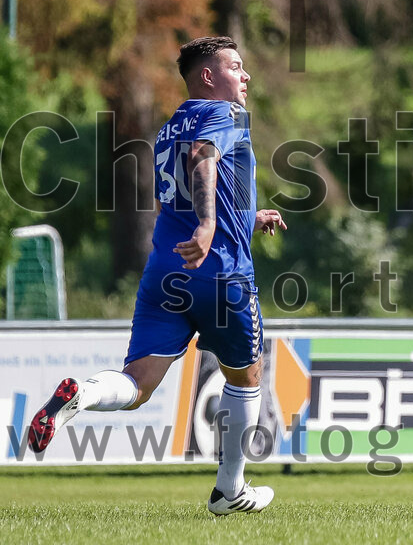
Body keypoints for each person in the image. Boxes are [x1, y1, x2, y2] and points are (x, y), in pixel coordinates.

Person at [28, 36, 287, 516]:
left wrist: (244, 218)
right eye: (235, 66)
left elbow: (182, 197)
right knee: (247, 376)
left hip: (166, 269)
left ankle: (79, 395)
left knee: (137, 385)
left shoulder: (169, 128)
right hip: (217, 270)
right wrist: (212, 227)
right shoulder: (226, 116)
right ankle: (230, 489)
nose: (245, 76)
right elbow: (204, 160)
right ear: (207, 76)